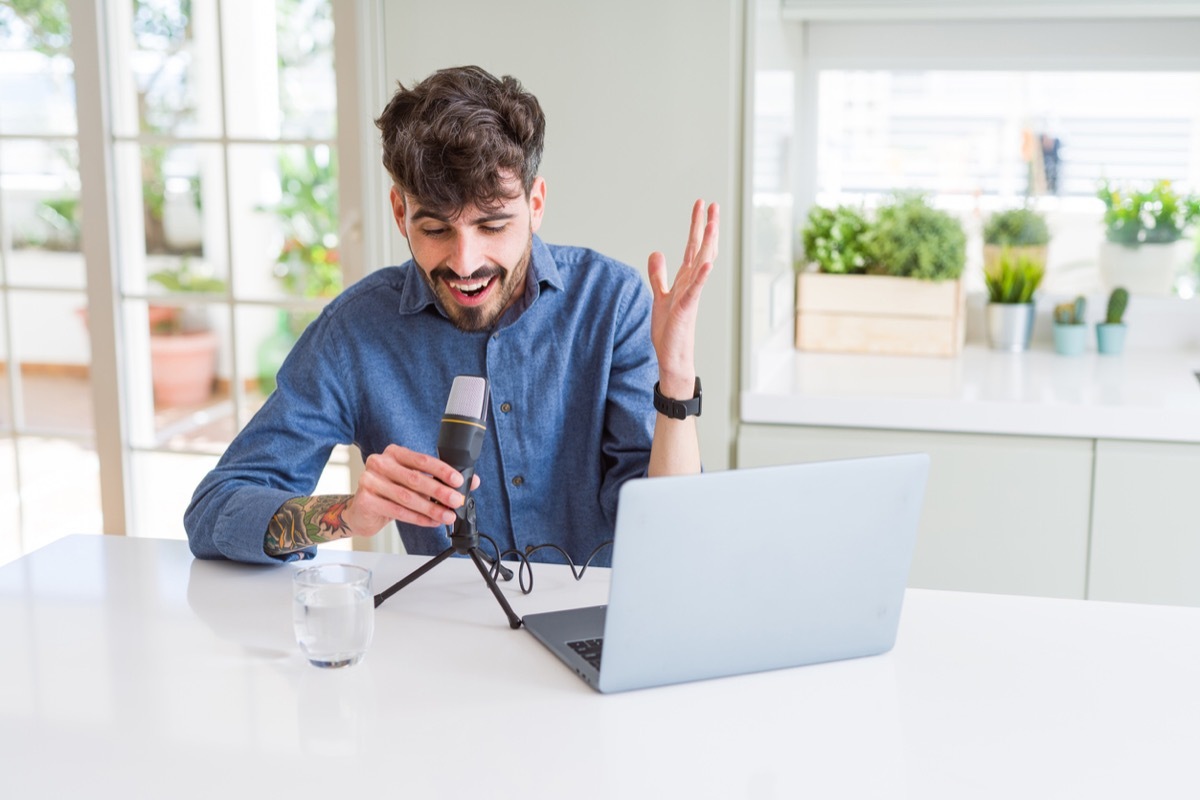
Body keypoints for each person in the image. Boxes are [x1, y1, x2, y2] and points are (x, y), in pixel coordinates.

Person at [184, 65, 718, 566]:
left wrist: (674, 381)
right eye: (437, 229)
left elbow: (669, 536)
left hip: (600, 627)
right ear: (400, 212)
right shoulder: (356, 332)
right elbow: (215, 510)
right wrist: (346, 514)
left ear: (535, 204)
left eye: (492, 226)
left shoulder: (612, 303)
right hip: (451, 641)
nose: (465, 264)